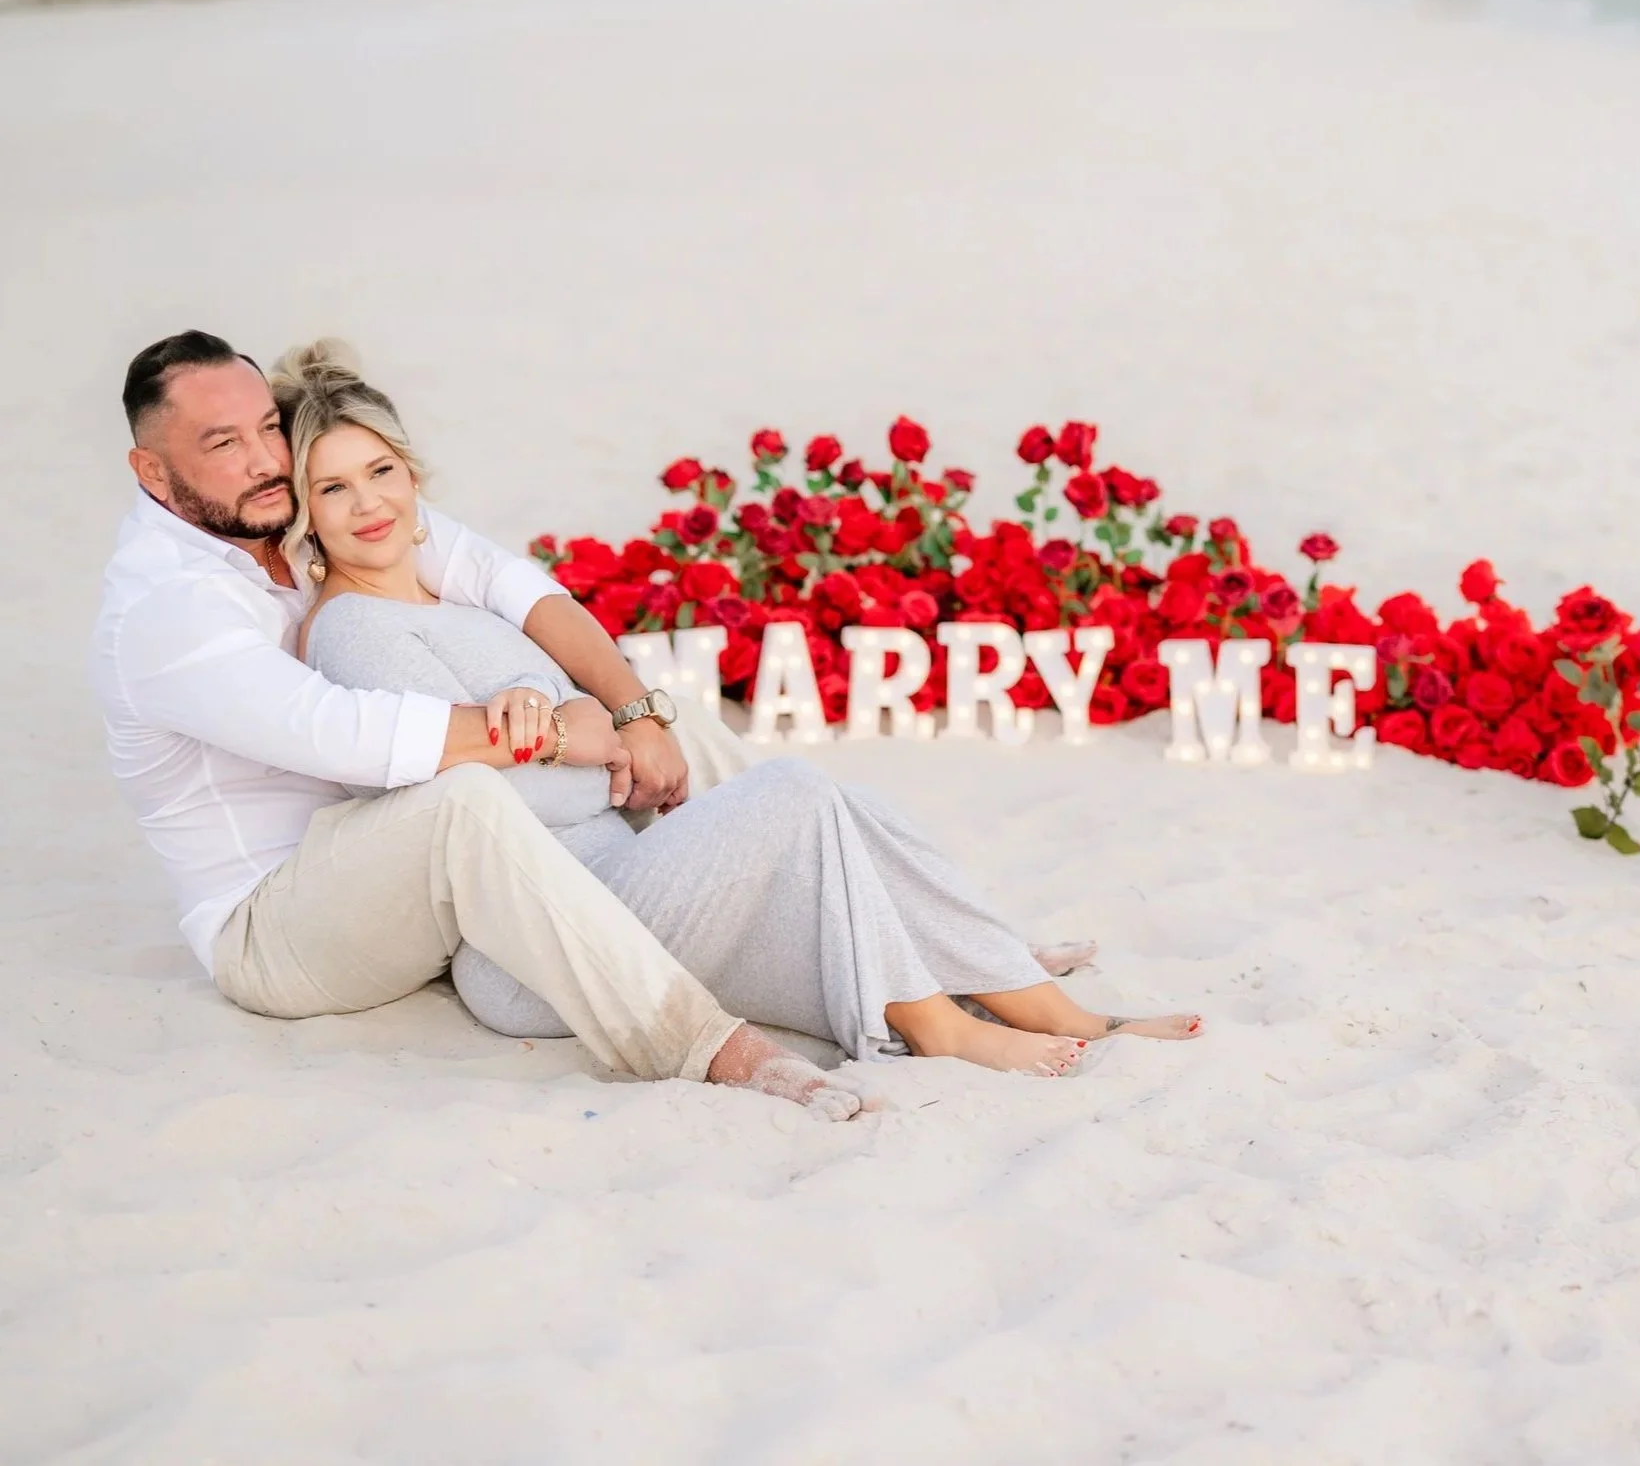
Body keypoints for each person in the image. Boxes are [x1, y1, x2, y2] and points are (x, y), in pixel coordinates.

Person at [276, 338, 1203, 1072]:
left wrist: (590, 735)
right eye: (333, 487)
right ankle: (950, 1028)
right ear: (303, 514)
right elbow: (475, 810)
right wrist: (600, 751)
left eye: (381, 473)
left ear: (414, 474)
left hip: (625, 883)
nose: (368, 504)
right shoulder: (355, 631)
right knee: (792, 792)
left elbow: (548, 728)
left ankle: (1020, 991)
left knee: (837, 817)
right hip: (538, 946)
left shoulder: (447, 594)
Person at [92, 330, 869, 1119]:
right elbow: (334, 728)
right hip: (278, 927)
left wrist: (632, 714)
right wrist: (559, 734)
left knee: (681, 723)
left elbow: (505, 582)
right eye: (223, 443)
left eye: (267, 426)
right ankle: (710, 1047)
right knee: (461, 802)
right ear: (152, 470)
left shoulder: (292, 511)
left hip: (391, 864)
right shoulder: (169, 607)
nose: (265, 458)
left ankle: (839, 914)